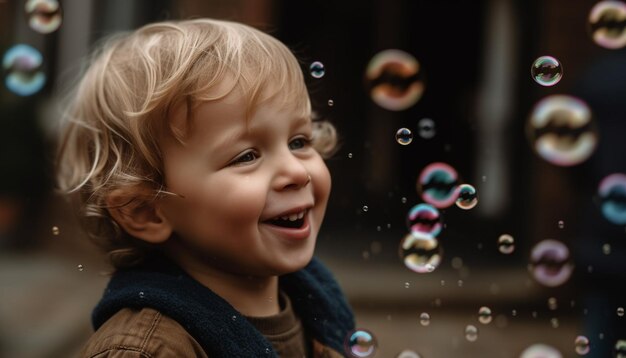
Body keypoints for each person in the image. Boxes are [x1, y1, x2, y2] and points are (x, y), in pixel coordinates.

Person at [56, 18, 354, 357]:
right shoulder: (146, 351)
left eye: (299, 141)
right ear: (147, 211)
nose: (296, 172)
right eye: (246, 156)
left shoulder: (317, 307)